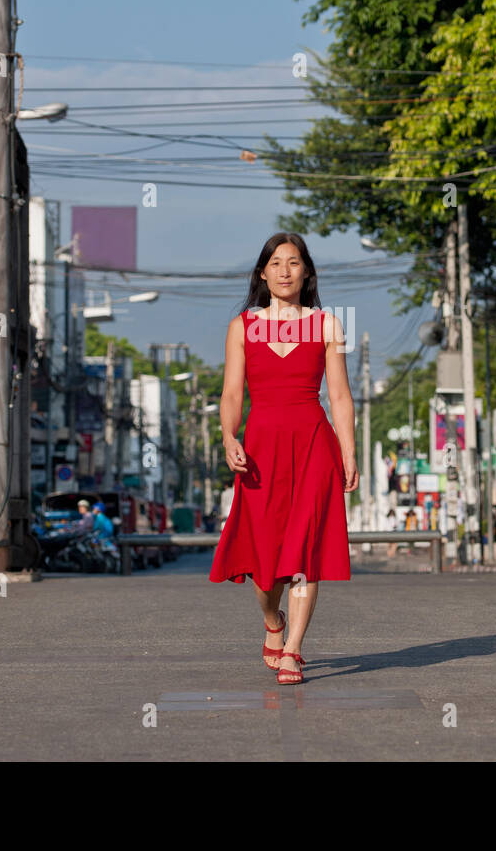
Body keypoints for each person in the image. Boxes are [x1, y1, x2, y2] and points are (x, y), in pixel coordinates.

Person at [208, 232, 357, 685]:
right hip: (262, 449)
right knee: (266, 559)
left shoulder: (328, 325)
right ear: (263, 273)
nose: (285, 270)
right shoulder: (243, 326)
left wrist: (349, 452)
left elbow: (340, 396)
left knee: (305, 549)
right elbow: (233, 392)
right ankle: (274, 622)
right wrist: (228, 435)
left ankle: (293, 649)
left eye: (294, 262)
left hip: (314, 443)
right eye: (276, 263)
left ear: (307, 271)